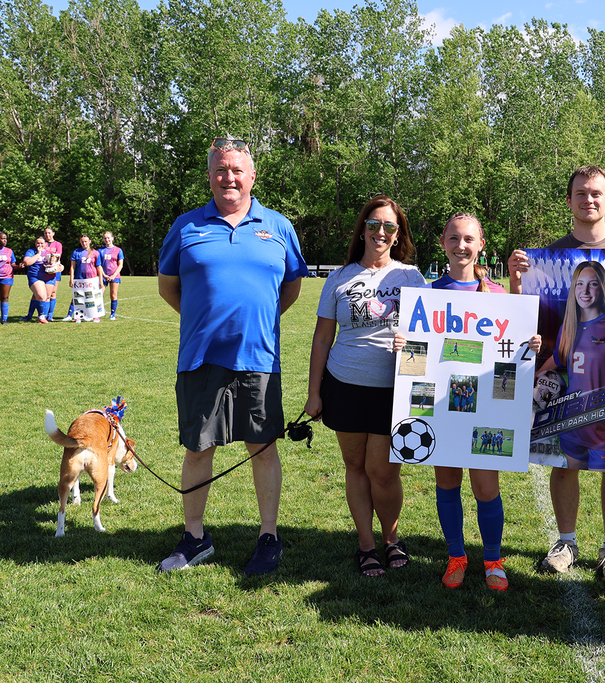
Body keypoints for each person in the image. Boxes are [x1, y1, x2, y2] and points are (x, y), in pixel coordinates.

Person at [157, 136, 307, 575]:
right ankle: (195, 537)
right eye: (221, 169)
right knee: (199, 448)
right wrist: (203, 318)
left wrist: (259, 318)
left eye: (237, 169)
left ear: (252, 176)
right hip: (200, 358)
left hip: (259, 358)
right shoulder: (186, 226)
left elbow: (292, 286)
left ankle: (268, 535)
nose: (229, 177)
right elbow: (168, 287)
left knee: (262, 448)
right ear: (209, 175)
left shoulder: (277, 226)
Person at [507, 165, 605, 582]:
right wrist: (517, 282)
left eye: (596, 193)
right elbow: (527, 320)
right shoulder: (548, 258)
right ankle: (566, 541)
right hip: (570, 406)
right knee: (564, 467)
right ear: (569, 200)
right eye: (581, 193)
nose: (589, 199)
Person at [408, 213, 541, 590]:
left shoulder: (498, 296)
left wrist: (532, 345)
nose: (461, 245)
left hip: (486, 407)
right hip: (441, 408)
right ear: (442, 242)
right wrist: (406, 348)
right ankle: (455, 556)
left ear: (481, 244)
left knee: (486, 487)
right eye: (454, 238)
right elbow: (419, 356)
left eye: (469, 239)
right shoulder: (428, 295)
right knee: (447, 482)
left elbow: (513, 347)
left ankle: (493, 560)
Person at [304, 195, 424, 577]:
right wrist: (314, 392)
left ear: (397, 234)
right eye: (374, 224)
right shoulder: (339, 279)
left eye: (389, 226)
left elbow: (436, 329)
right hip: (346, 385)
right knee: (355, 466)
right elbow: (322, 339)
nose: (381, 232)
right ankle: (366, 545)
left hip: (394, 388)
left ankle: (392, 540)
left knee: (384, 471)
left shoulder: (411, 276)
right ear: (363, 229)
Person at [535, 260, 605, 473]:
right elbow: (557, 359)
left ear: (602, 288)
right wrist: (535, 379)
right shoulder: (567, 327)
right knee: (567, 477)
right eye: (579, 284)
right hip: (570, 426)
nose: (585, 290)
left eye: (592, 284)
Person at [68, 234, 105, 322]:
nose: (84, 243)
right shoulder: (76, 252)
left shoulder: (95, 252)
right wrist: (71, 279)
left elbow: (98, 267)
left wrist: (101, 281)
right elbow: (72, 266)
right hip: (79, 279)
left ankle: (96, 315)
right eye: (82, 241)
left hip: (92, 279)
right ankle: (78, 316)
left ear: (89, 241)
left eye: (86, 241)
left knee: (94, 297)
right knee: (79, 298)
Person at [23, 236, 58, 323]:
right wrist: (38, 253)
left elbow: (57, 264)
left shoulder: (50, 253)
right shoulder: (31, 251)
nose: (40, 245)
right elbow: (27, 262)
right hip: (35, 277)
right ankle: (41, 316)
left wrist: (56, 267)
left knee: (47, 297)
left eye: (42, 243)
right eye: (38, 243)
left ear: (45, 244)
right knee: (42, 296)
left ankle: (43, 317)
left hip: (49, 277)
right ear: (35, 244)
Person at [98, 231, 125, 320]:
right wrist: (104, 275)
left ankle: (112, 315)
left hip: (115, 276)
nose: (107, 240)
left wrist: (113, 275)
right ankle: (98, 313)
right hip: (103, 276)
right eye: (105, 238)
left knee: (113, 295)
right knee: (99, 294)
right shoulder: (100, 251)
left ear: (112, 238)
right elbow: (99, 265)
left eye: (108, 238)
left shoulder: (118, 250)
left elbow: (120, 265)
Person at [41, 227, 62, 323]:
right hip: (42, 270)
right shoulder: (42, 243)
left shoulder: (58, 244)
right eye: (45, 233)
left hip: (54, 270)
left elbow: (58, 256)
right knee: (40, 293)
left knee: (53, 293)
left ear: (53, 233)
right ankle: (37, 314)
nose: (47, 235)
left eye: (49, 233)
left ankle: (50, 315)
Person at [0, 231, 18, 324]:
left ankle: (4, 319)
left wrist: (19, 266)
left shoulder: (9, 251)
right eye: (3, 238)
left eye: (6, 239)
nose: (5, 240)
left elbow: (13, 264)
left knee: (5, 297)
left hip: (7, 277)